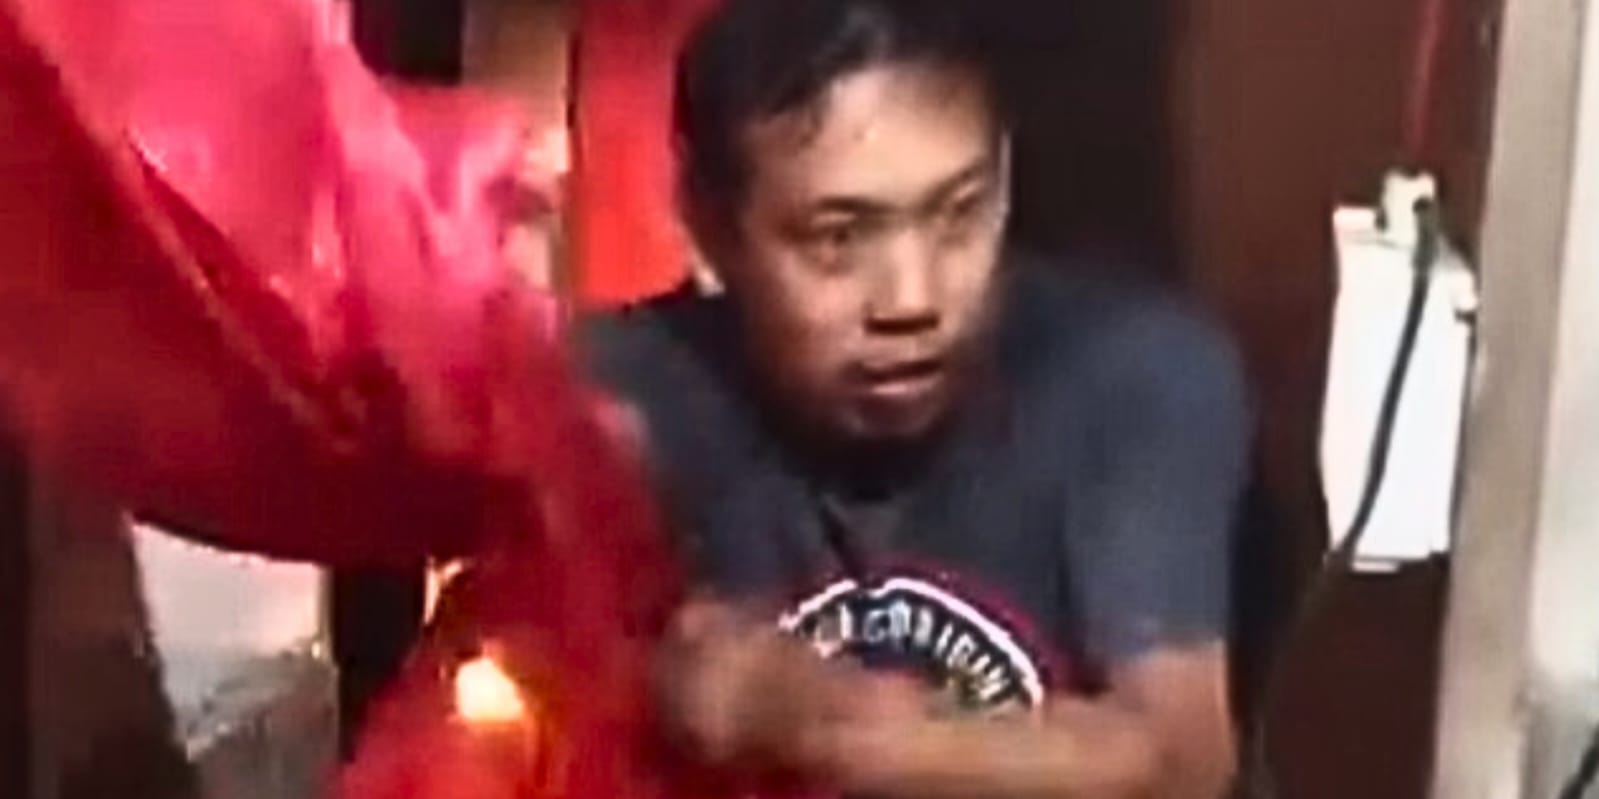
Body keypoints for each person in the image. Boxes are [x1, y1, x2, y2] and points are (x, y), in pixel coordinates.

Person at [577, 0, 1252, 796]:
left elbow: (1178, 762)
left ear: (1003, 180)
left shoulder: (1130, 375)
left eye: (959, 214)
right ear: (709, 226)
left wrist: (816, 723)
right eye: (836, 238)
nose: (912, 299)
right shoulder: (612, 397)